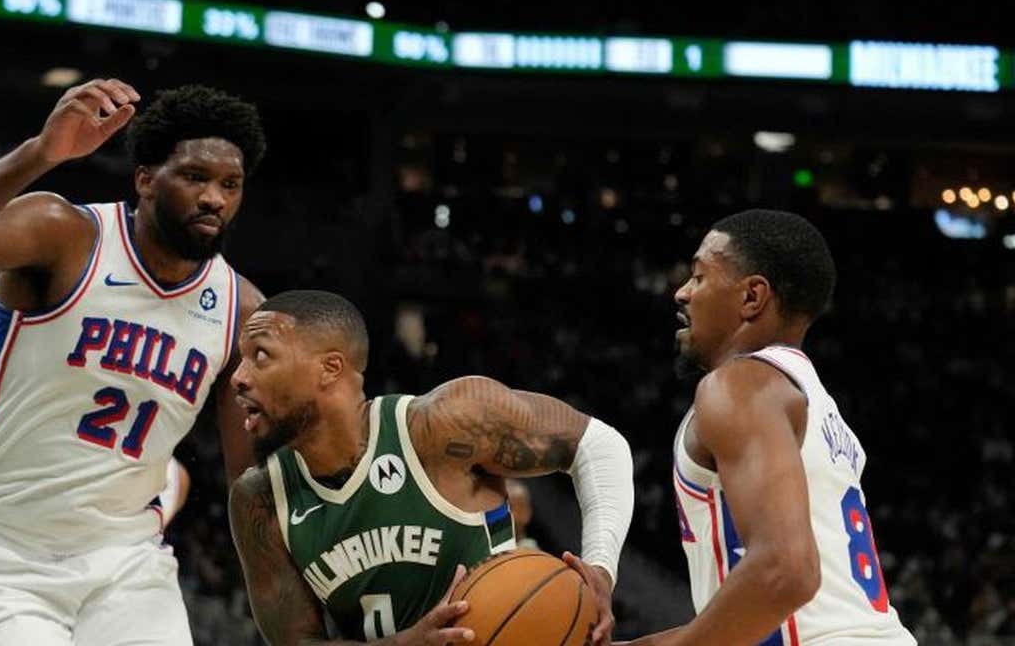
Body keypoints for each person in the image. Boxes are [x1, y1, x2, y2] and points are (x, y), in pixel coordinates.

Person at [0, 78, 267, 645]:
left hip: (125, 562)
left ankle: (166, 483)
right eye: (195, 177)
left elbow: (246, 476)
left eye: (230, 184)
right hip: (2, 551)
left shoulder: (241, 307)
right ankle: (169, 482)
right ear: (145, 180)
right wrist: (39, 154)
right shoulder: (66, 235)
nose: (214, 197)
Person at [226, 290, 635, 645]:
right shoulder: (258, 499)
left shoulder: (443, 423)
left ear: (330, 368)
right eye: (240, 359)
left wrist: (599, 569)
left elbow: (598, 447)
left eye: (260, 356)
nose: (238, 378)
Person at [622, 210, 915, 645]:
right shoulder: (817, 404)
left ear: (752, 297)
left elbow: (786, 570)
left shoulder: (738, 385)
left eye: (699, 276)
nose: (682, 292)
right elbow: (779, 616)